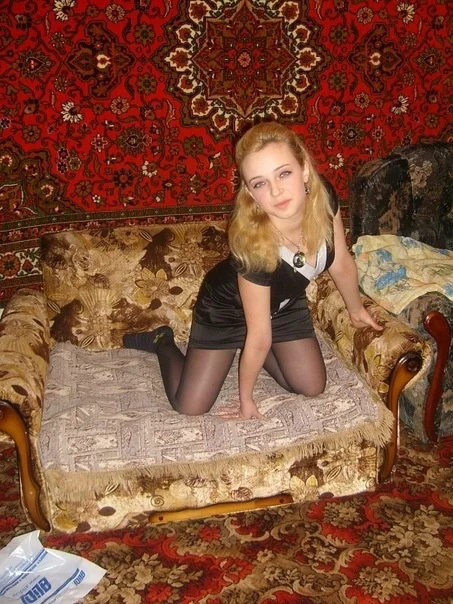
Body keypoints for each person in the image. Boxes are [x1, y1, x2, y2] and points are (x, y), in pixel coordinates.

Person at [123, 121, 382, 419]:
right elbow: (259, 337)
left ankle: (244, 348)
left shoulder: (324, 200)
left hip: (281, 306)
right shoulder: (253, 248)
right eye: (260, 183)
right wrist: (246, 399)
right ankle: (162, 341)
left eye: (284, 173)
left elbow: (341, 262)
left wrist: (356, 309)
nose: (276, 191)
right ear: (250, 192)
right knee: (190, 406)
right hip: (226, 311)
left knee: (312, 386)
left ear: (304, 170)